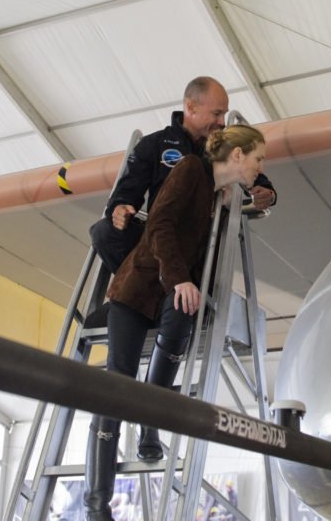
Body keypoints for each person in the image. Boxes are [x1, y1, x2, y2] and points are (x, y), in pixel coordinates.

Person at [84, 125, 267, 521]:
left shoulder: (217, 192)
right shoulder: (188, 169)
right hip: (137, 288)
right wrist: (179, 277)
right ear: (237, 156)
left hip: (166, 290)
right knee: (117, 381)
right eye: (258, 158)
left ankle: (151, 425)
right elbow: (160, 225)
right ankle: (96, 504)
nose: (260, 166)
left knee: (184, 311)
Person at [89, 76, 276, 274]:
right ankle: (151, 286)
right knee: (103, 232)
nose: (222, 122)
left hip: (199, 243)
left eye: (224, 114)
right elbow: (125, 193)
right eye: (216, 113)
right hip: (160, 237)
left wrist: (267, 193)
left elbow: (255, 176)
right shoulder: (153, 145)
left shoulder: (229, 146)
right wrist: (120, 209)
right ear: (191, 107)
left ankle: (157, 287)